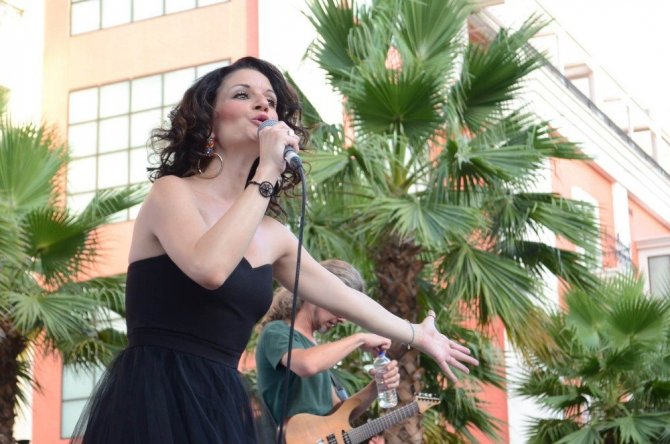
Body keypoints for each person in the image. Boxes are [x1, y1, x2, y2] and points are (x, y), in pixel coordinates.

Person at [71, 56, 479, 444]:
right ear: (209, 119)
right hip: (155, 390)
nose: (262, 104)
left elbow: (346, 298)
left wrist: (417, 333)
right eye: (242, 94)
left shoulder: (274, 235)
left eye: (270, 100)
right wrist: (267, 169)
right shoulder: (171, 193)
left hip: (221, 399)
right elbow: (209, 268)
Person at [256, 259, 401, 427]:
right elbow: (306, 365)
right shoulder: (276, 331)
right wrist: (360, 338)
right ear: (318, 291)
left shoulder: (316, 350)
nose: (343, 319)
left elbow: (340, 415)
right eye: (341, 307)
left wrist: (378, 385)